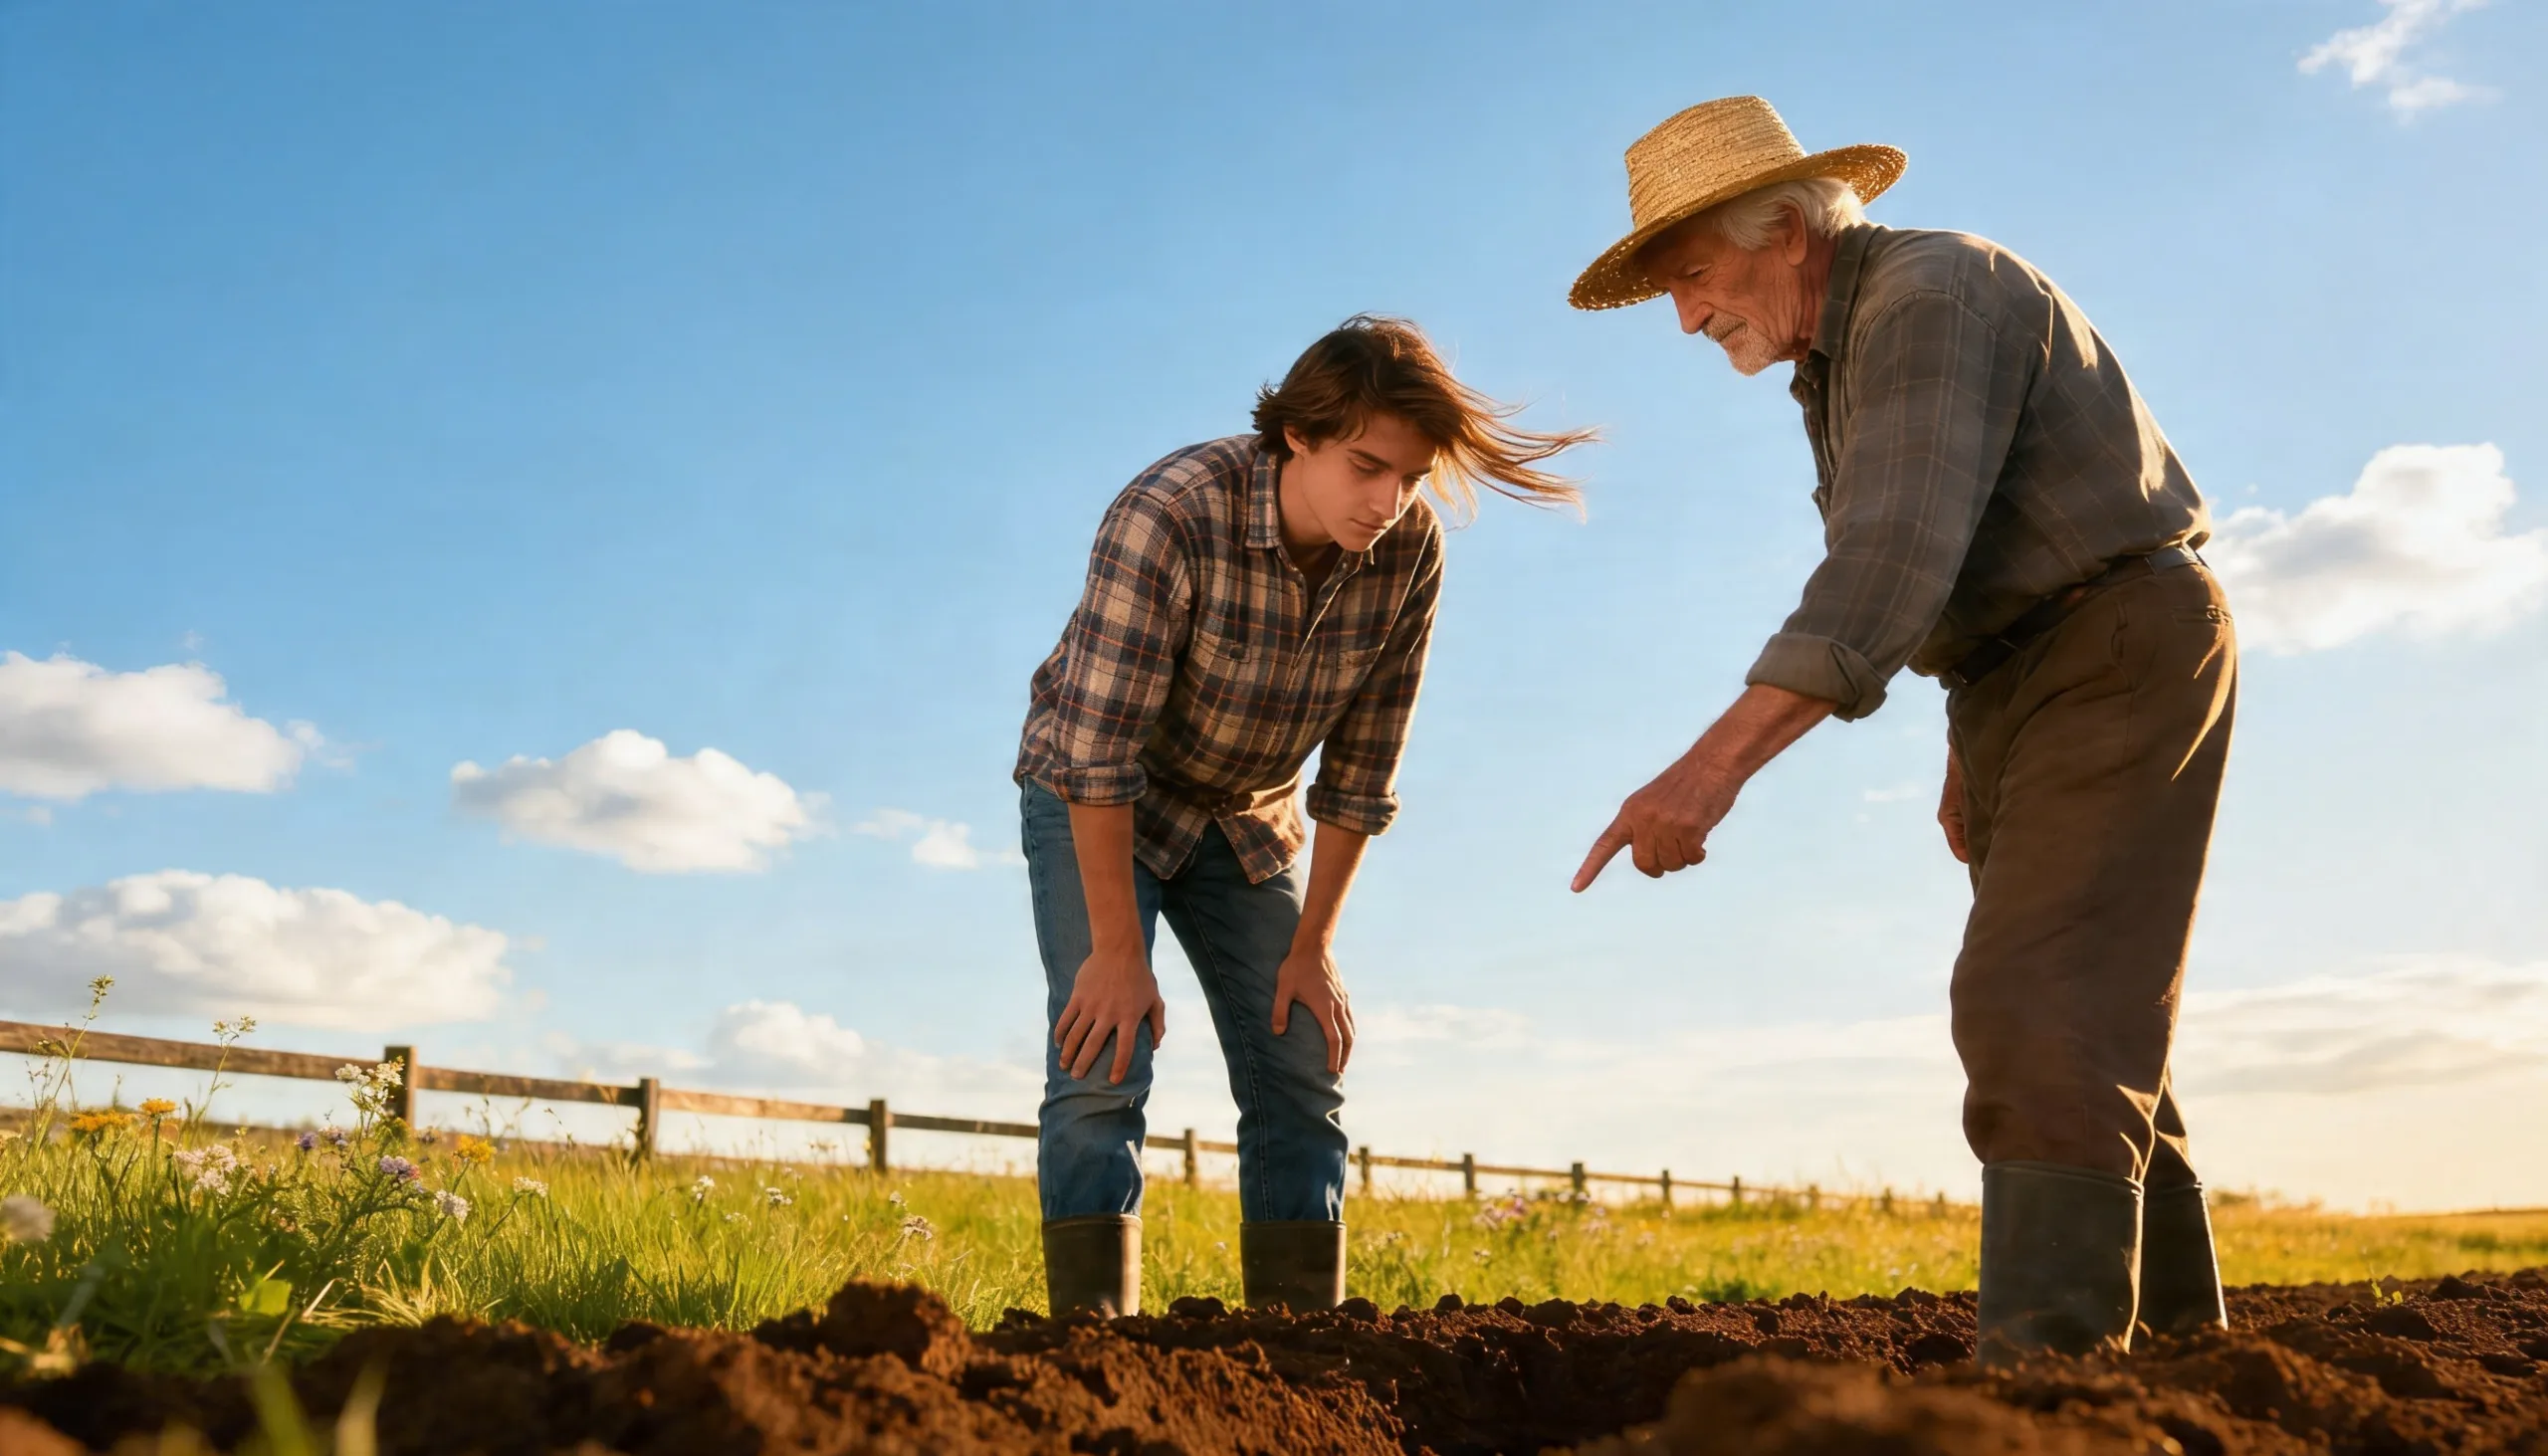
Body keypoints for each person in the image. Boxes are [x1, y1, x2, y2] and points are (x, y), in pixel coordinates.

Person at [1566, 98, 2237, 1359]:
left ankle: (2051, 1390)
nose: (1686, 316)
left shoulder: (1928, 297)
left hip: (2111, 645)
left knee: (2033, 1001)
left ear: (1784, 228)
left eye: (1693, 275)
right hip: (2022, 671)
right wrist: (1967, 735)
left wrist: (1706, 772)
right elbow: (1957, 558)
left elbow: (1886, 560)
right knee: (2081, 1008)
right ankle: (2186, 1362)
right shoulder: (1841, 349)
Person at [1015, 315, 1592, 1317]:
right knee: (1105, 1055)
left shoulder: (1407, 549)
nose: (1387, 501)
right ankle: (1089, 1348)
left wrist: (1312, 944)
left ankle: (1301, 1348)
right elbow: (1097, 756)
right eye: (1367, 467)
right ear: (1297, 435)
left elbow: (1362, 770)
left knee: (1301, 1061)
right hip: (1103, 797)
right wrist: (1115, 951)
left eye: (1410, 477)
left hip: (1249, 816)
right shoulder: (1171, 513)